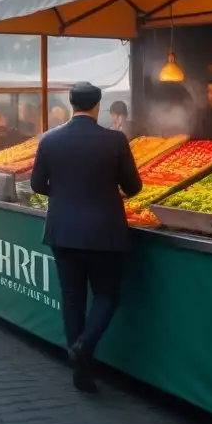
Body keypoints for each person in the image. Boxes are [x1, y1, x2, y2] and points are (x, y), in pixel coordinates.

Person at [30, 81, 141, 394]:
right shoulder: (115, 140)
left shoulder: (49, 139)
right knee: (107, 295)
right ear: (98, 105)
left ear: (70, 103)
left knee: (72, 297)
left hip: (63, 230)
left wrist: (65, 193)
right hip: (104, 230)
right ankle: (85, 345)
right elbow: (133, 187)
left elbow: (38, 183)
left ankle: (80, 367)